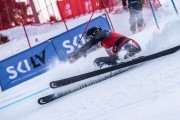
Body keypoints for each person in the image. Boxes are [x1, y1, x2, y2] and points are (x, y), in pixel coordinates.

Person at [69, 26, 141, 69]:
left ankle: (128, 54)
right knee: (97, 61)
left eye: (90, 38)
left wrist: (76, 56)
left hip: (131, 45)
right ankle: (105, 69)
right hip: (121, 56)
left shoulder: (103, 33)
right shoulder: (106, 45)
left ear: (94, 34)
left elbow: (91, 43)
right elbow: (114, 59)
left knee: (123, 52)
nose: (90, 40)